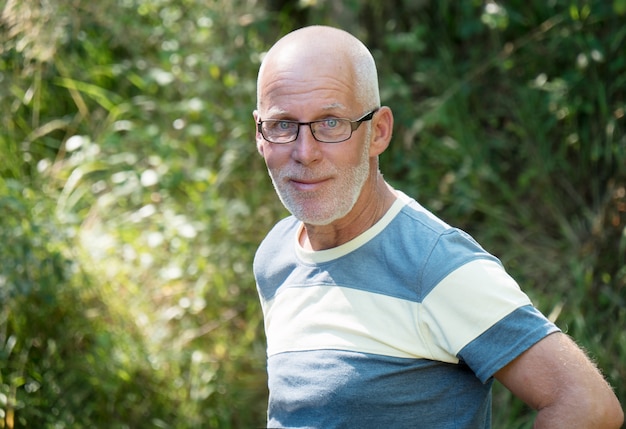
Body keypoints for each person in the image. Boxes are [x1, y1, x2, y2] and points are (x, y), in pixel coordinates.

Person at [252, 25, 623, 429]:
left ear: (378, 131)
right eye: (283, 125)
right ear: (259, 133)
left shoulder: (436, 264)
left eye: (331, 123)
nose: (305, 153)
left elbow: (588, 406)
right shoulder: (276, 256)